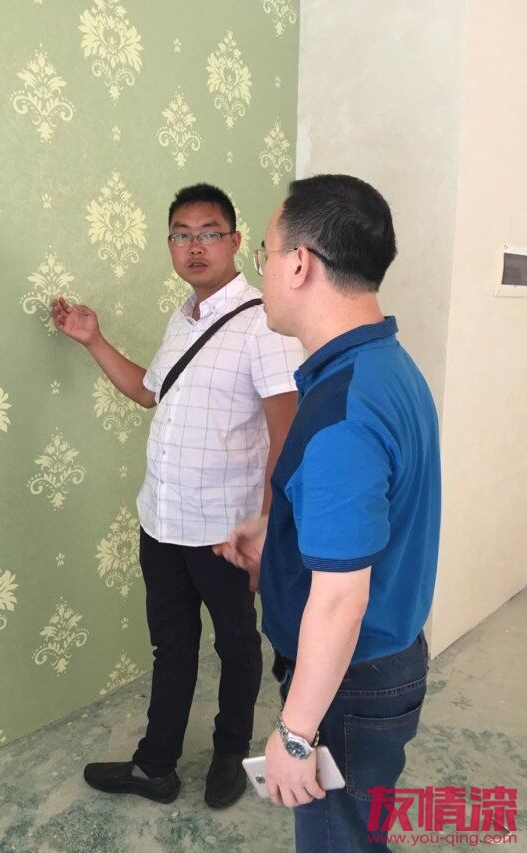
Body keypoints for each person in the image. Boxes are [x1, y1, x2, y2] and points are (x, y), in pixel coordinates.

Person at [51, 183, 302, 808]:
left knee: (236, 645)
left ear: (235, 241)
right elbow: (149, 392)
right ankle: (155, 765)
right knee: (171, 645)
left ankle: (228, 755)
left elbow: (286, 430)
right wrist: (93, 340)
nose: (195, 247)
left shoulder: (263, 323)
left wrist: (267, 524)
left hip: (224, 529)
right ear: (169, 245)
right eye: (181, 235)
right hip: (162, 519)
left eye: (208, 233)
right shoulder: (182, 318)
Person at [216, 174, 441, 851]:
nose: (261, 270)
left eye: (263, 252)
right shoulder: (383, 365)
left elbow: (342, 598)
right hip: (384, 658)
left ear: (299, 263)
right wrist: (280, 532)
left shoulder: (341, 410)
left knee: (339, 840)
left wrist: (295, 734)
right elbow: (373, 513)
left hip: (351, 681)